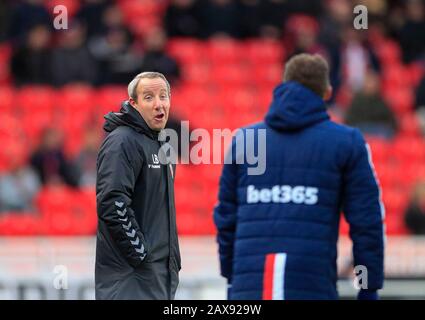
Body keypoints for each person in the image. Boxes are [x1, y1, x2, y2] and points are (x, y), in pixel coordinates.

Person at [214, 53, 385, 300]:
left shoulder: (244, 140)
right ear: (327, 92)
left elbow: (225, 219)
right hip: (312, 284)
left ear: (283, 86)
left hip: (249, 286)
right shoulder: (347, 142)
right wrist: (368, 288)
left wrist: (232, 278)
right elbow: (366, 222)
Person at [95, 72, 181, 300]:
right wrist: (142, 256)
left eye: (163, 96)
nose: (158, 104)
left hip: (156, 278)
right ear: (133, 103)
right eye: (149, 97)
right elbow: (112, 203)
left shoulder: (162, 145)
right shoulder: (122, 141)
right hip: (131, 282)